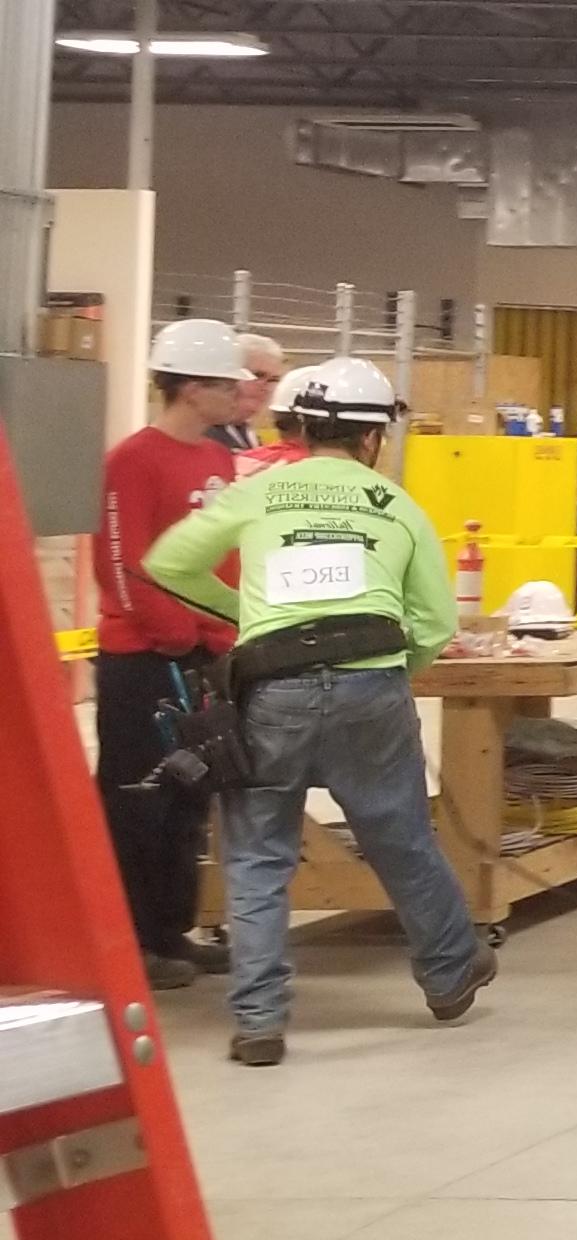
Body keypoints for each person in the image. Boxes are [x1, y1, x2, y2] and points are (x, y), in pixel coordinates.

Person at [140, 359, 492, 1067]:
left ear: (302, 431)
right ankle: (451, 973)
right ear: (372, 440)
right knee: (401, 840)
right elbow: (431, 620)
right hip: (371, 691)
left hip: (274, 690)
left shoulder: (261, 491)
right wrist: (392, 675)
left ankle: (261, 1022)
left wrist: (253, 621)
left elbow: (169, 562)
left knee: (259, 855)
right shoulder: (397, 507)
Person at [91, 317, 254, 991]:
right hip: (144, 660)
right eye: (227, 386)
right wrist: (177, 632)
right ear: (191, 388)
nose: (240, 398)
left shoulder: (220, 461)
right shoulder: (133, 459)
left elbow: (233, 558)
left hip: (207, 656)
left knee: (192, 800)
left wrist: (228, 631)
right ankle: (133, 939)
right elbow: (120, 564)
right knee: (139, 800)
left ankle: (172, 931)